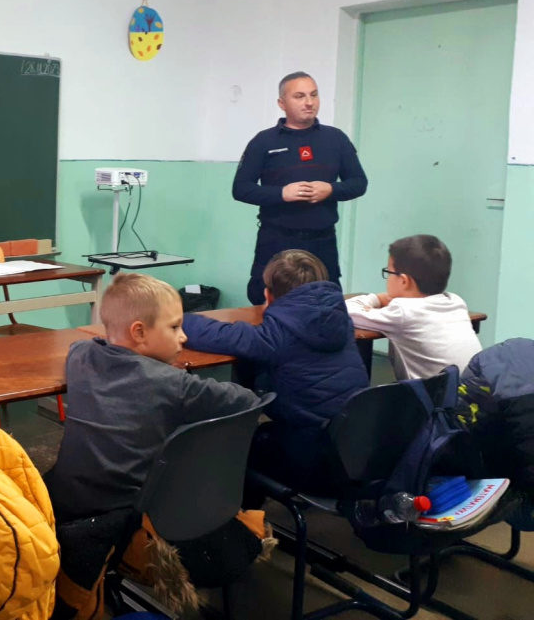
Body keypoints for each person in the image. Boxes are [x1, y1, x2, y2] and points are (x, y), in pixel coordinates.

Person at [45, 273, 259, 522]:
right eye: (174, 327)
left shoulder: (81, 357)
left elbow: (81, 345)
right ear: (139, 332)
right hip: (126, 514)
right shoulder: (173, 383)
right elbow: (247, 401)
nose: (183, 337)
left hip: (62, 502)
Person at [183, 250, 369, 493]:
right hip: (357, 452)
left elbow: (214, 334)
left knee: (234, 447)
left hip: (314, 461)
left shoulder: (277, 335)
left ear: (268, 294)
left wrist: (176, 316)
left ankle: (246, 512)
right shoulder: (342, 322)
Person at [233, 71, 368, 305]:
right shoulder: (264, 141)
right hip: (276, 239)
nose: (309, 102)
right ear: (281, 103)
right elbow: (241, 189)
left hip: (322, 241)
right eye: (300, 96)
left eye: (314, 95)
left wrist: (331, 190)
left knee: (326, 301)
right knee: (264, 299)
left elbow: (358, 183)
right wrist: (282, 194)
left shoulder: (336, 139)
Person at [346, 234, 481, 380]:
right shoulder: (455, 301)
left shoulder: (403, 312)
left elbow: (346, 311)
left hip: (435, 394)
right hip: (472, 389)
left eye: (388, 272)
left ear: (404, 281)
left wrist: (377, 298)